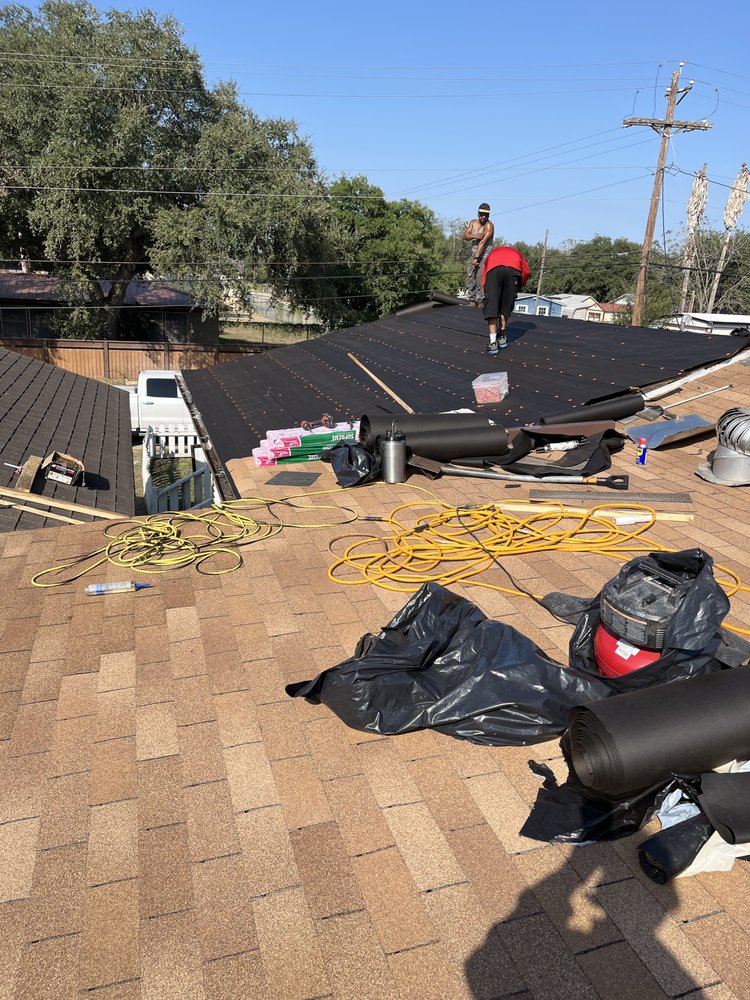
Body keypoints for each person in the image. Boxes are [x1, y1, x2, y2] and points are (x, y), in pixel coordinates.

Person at [481, 244, 531, 354]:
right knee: (506, 305)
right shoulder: (517, 253)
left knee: (492, 305)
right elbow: (526, 272)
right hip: (513, 271)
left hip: (493, 270)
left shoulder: (493, 253)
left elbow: (485, 272)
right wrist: (517, 288)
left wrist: (487, 289)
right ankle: (502, 337)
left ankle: (493, 342)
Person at [462, 203, 494, 306]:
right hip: (474, 254)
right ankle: (472, 301)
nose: (484, 217)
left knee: (480, 279)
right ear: (478, 214)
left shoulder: (489, 226)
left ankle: (481, 302)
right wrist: (475, 235)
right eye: (482, 214)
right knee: (470, 276)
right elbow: (465, 236)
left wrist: (476, 258)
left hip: (484, 256)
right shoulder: (473, 223)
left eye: (486, 215)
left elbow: (482, 243)